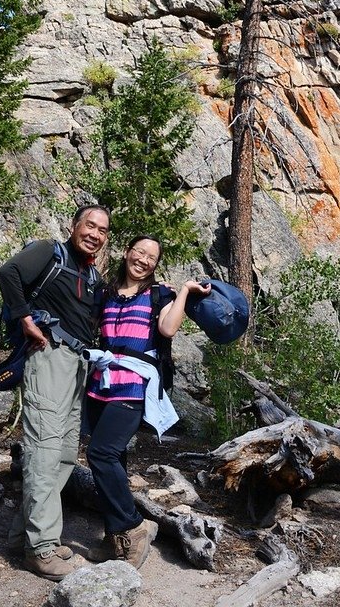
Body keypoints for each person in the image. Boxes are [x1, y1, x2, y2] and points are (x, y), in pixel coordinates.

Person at [0, 204, 110, 581]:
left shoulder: (91, 273)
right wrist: (25, 319)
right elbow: (8, 273)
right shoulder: (49, 251)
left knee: (62, 454)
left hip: (77, 364)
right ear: (74, 226)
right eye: (89, 225)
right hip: (49, 357)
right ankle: (40, 549)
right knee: (44, 449)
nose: (94, 233)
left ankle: (24, 534)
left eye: (102, 230)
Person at [84, 234, 210, 570]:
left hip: (135, 384)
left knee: (100, 453)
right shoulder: (106, 293)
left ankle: (135, 526)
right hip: (101, 382)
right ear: (127, 253)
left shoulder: (159, 294)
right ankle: (116, 539)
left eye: (151, 257)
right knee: (115, 461)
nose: (143, 259)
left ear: (156, 264)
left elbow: (168, 330)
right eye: (139, 252)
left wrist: (183, 291)